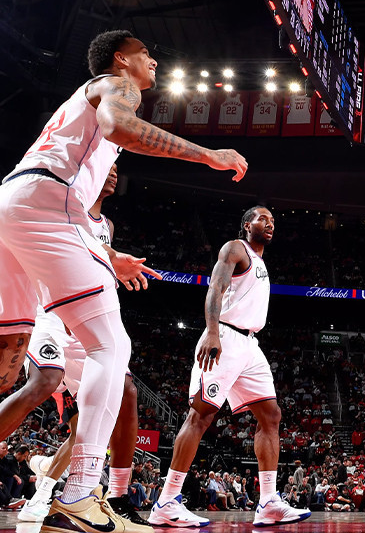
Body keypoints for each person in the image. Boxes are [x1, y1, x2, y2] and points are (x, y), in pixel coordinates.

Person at [0, 30, 247, 533]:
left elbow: (64, 186)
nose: (153, 62)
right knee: (112, 348)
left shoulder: (77, 110)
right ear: (121, 58)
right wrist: (207, 154)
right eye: (146, 54)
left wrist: (108, 254)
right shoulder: (116, 85)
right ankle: (80, 495)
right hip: (46, 204)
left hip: (5, 208)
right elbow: (120, 128)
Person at [0, 165, 151, 532]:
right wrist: (110, 256)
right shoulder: (58, 202)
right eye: (105, 166)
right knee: (43, 381)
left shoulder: (106, 224)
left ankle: (114, 498)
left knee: (125, 392)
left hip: (84, 320)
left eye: (117, 170)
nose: (112, 174)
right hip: (49, 312)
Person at [149, 207, 310, 528]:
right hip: (224, 334)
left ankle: (267, 502)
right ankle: (166, 501)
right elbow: (215, 289)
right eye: (263, 219)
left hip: (250, 345)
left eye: (273, 221)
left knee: (271, 415)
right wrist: (211, 331)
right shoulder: (236, 248)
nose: (270, 224)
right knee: (201, 415)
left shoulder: (261, 261)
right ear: (246, 223)